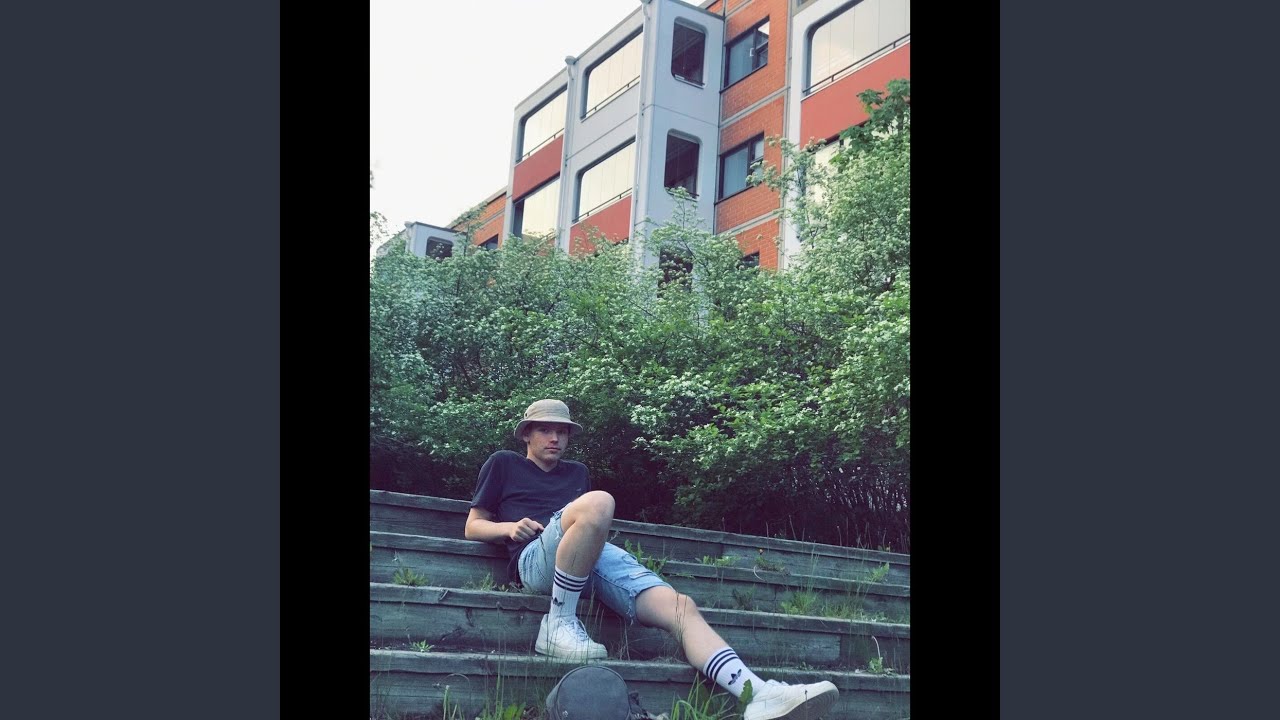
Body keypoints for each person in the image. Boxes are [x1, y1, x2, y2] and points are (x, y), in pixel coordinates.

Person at [465, 399, 839, 720]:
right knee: (600, 501)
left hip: (587, 558)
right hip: (535, 558)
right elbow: (473, 526)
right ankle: (559, 623)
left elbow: (586, 530)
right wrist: (509, 528)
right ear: (527, 434)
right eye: (546, 430)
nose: (555, 438)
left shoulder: (577, 473)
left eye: (562, 432)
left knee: (680, 606)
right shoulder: (504, 464)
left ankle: (756, 693)